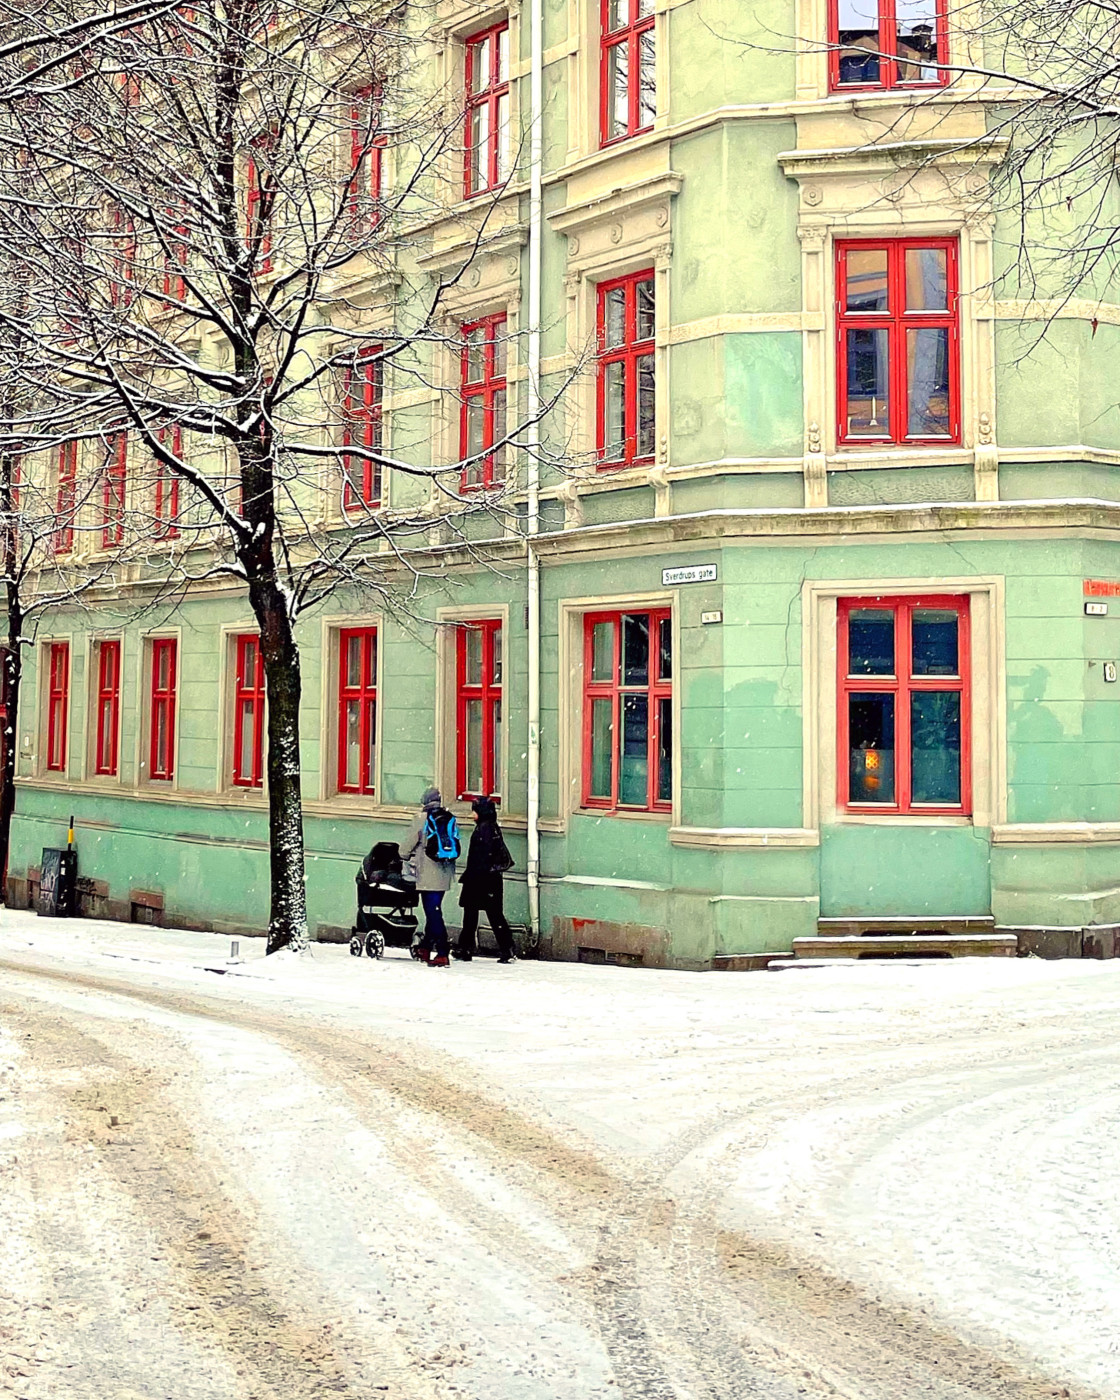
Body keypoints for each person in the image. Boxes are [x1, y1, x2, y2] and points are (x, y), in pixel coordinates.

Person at [454, 796, 516, 964]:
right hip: (489, 879)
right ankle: (506, 948)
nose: (472, 814)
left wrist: (472, 876)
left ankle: (467, 948)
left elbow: (481, 857)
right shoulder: (491, 827)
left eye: (474, 810)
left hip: (480, 879)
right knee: (492, 915)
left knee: (473, 916)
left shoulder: (484, 829)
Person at [408, 786, 459, 967]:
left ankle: (443, 952)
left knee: (433, 913)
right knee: (434, 910)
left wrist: (404, 855)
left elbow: (405, 847)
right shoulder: (449, 818)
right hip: (444, 873)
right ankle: (426, 947)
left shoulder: (421, 819)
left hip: (427, 874)